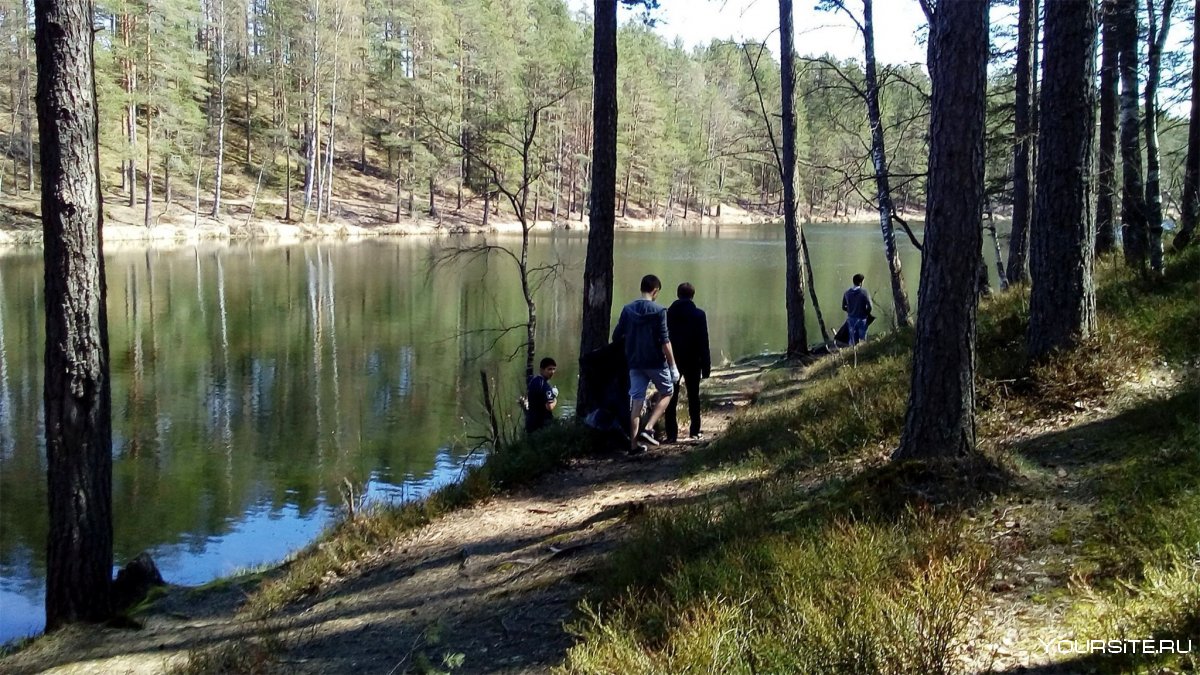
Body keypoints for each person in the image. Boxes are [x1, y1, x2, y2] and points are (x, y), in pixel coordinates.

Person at [612, 274, 679, 454]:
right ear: (655, 291)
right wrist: (673, 366)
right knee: (667, 391)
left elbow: (616, 335)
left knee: (636, 402)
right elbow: (665, 341)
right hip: (655, 361)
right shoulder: (659, 311)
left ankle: (633, 446)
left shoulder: (627, 310)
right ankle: (648, 428)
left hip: (634, 362)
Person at [666, 282, 711, 442]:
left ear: (678, 295)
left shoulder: (668, 314)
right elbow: (703, 342)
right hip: (693, 360)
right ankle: (694, 431)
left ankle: (671, 434)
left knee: (671, 396)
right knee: (693, 396)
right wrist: (706, 366)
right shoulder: (699, 315)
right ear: (692, 295)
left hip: (673, 360)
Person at [525, 357, 559, 433]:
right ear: (542, 370)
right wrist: (555, 400)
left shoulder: (533, 380)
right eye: (549, 369)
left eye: (554, 369)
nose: (552, 372)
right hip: (541, 423)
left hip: (530, 421)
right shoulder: (545, 386)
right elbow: (549, 407)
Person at [842, 273, 873, 346]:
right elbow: (870, 306)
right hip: (862, 319)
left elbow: (843, 307)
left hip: (851, 319)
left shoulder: (847, 293)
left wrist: (850, 311)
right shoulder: (864, 292)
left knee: (852, 341)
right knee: (862, 341)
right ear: (861, 282)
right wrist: (866, 313)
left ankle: (852, 354)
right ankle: (862, 355)